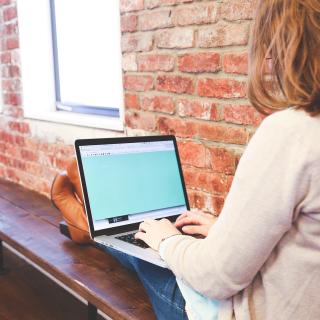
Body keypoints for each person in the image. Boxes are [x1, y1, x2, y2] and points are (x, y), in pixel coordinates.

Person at [52, 0, 320, 319]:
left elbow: (216, 278)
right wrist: (223, 230)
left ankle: (87, 229)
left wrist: (168, 240)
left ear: (281, 45)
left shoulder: (291, 131)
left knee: (144, 249)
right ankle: (93, 228)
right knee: (148, 235)